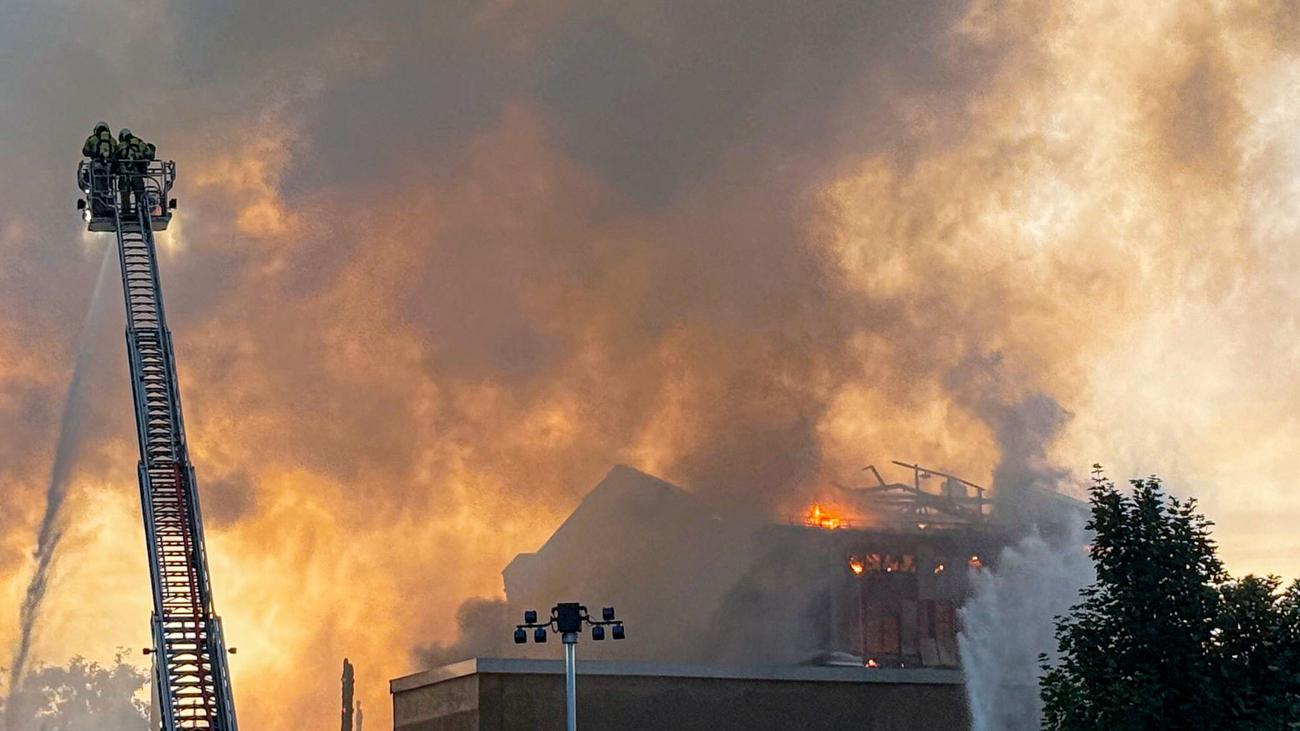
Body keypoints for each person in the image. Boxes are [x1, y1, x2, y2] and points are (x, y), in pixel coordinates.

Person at [81, 122, 116, 216]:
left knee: (96, 190)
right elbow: (115, 153)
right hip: (108, 170)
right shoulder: (112, 140)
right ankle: (108, 206)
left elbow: (85, 151)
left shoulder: (92, 139)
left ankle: (98, 210)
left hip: (95, 168)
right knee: (107, 189)